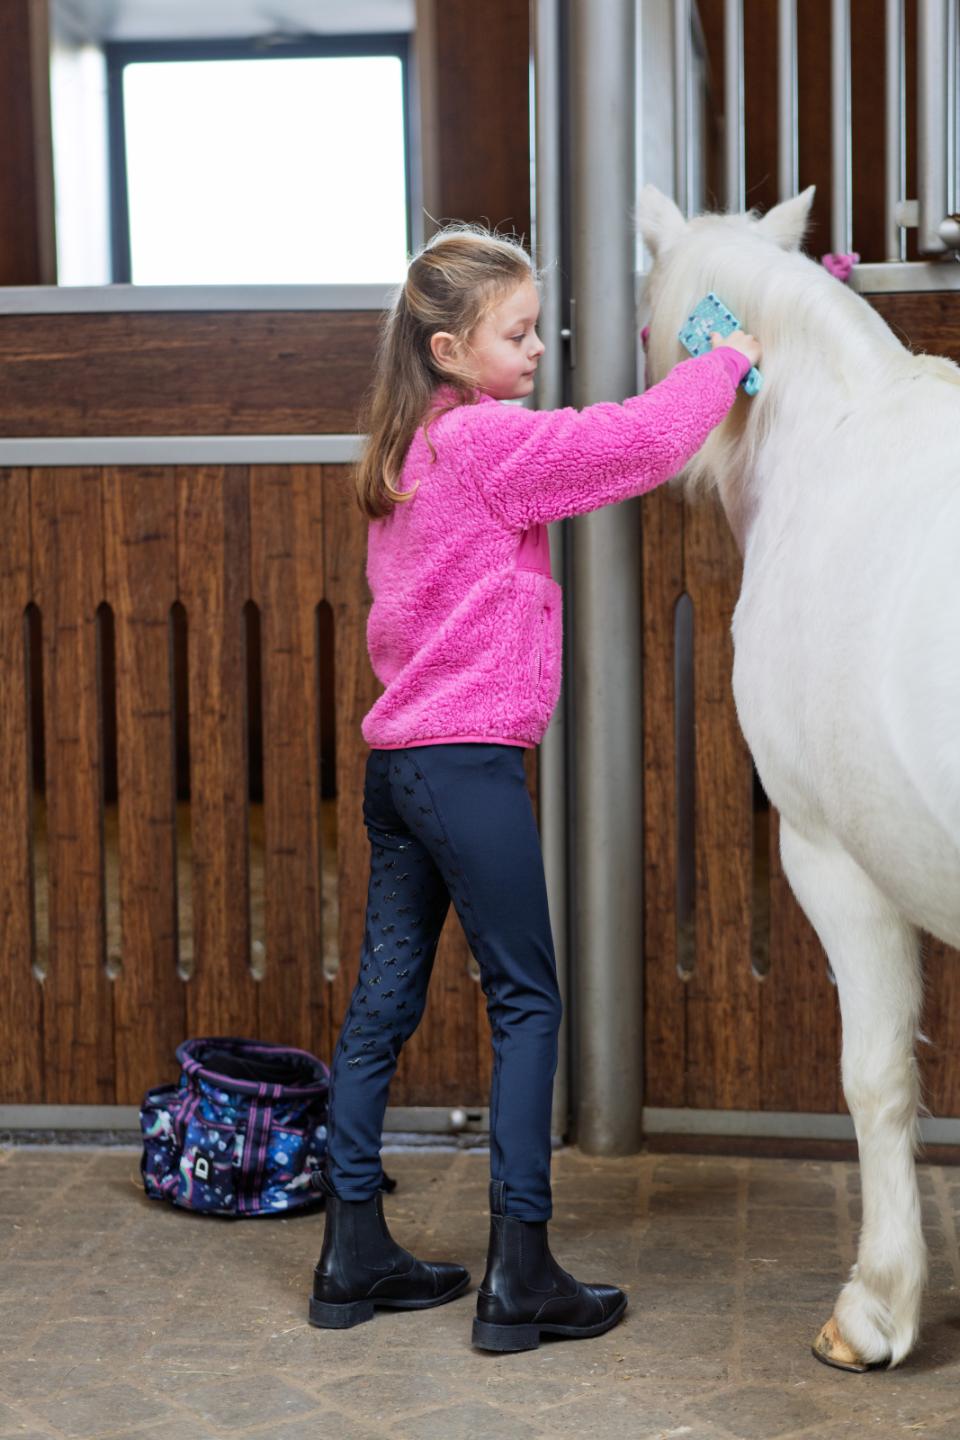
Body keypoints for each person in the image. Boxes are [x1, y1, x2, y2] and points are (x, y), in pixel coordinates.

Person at [308, 225, 761, 1353]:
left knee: (381, 1011)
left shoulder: (408, 448)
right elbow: (632, 445)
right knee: (529, 1002)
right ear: (452, 349)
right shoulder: (480, 444)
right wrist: (720, 364)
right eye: (516, 334)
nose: (535, 350)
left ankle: (350, 1254)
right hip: (464, 763)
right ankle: (522, 1274)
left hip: (399, 766)